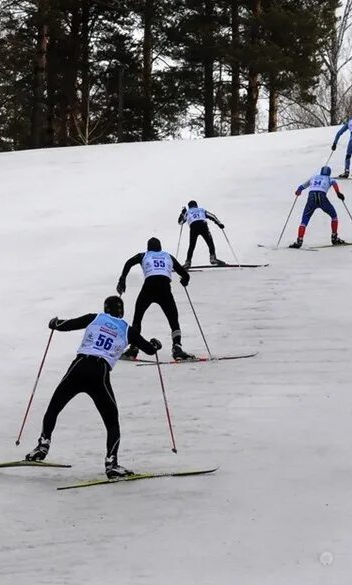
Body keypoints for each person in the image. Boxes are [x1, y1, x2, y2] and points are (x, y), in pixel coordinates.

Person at [24, 296, 161, 478]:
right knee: (112, 422)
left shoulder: (95, 317)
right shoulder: (128, 329)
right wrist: (155, 344)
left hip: (79, 366)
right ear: (121, 311)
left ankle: (42, 446)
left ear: (106, 309)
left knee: (54, 407)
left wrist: (55, 323)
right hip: (99, 372)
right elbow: (150, 350)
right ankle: (111, 463)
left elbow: (67, 324)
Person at [116, 237, 194, 361]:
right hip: (164, 288)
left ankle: (133, 348)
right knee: (173, 318)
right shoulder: (168, 256)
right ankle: (177, 348)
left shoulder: (144, 255)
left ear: (148, 248)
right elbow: (184, 274)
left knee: (138, 318)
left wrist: (122, 279)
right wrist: (185, 280)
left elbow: (129, 263)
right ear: (160, 247)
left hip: (149, 287)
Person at [289, 166, 347, 249]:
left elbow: (301, 187)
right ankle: (334, 237)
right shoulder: (329, 178)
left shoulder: (314, 177)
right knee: (333, 215)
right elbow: (334, 184)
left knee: (305, 219)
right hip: (322, 197)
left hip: (311, 197)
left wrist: (298, 192)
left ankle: (299, 240)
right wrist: (338, 193)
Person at [177, 200, 227, 266]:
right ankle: (213, 258)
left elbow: (180, 222)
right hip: (203, 225)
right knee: (210, 243)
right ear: (196, 205)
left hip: (193, 227)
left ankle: (188, 262)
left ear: (189, 207)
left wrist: (182, 213)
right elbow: (212, 216)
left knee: (192, 245)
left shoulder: (187, 212)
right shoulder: (201, 210)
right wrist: (219, 224)